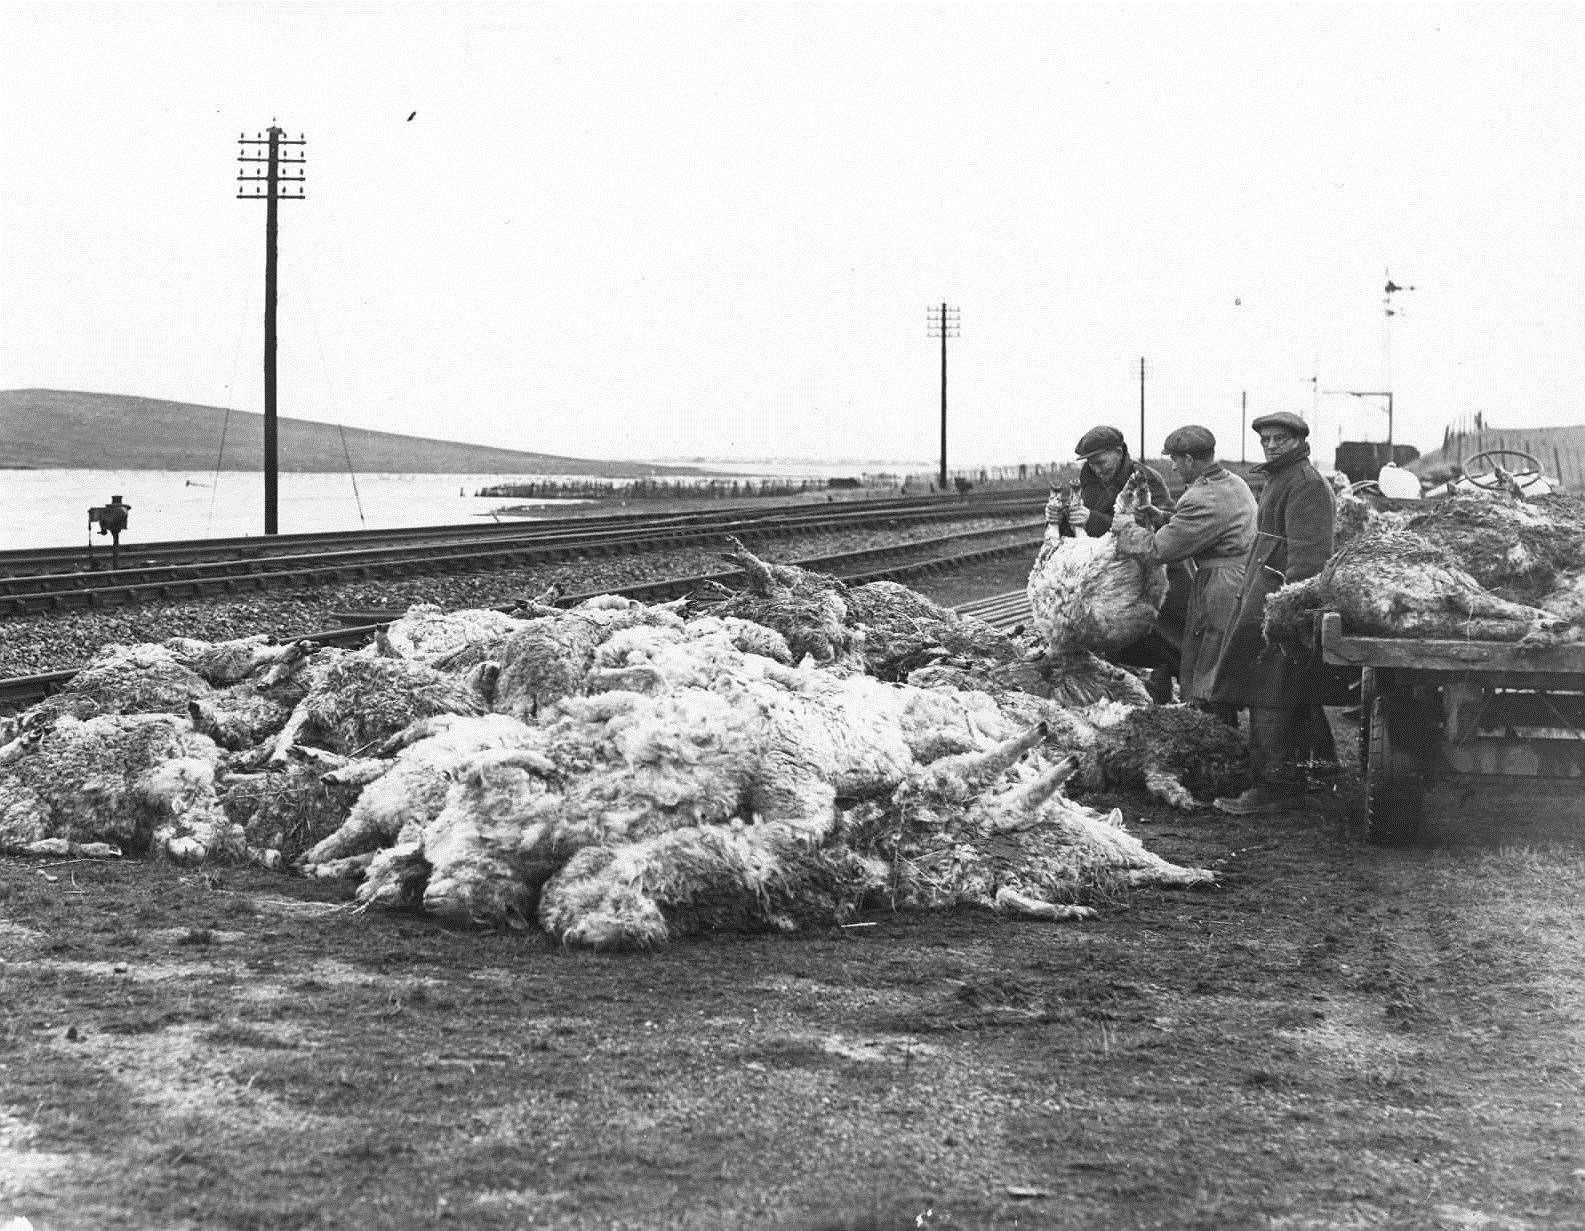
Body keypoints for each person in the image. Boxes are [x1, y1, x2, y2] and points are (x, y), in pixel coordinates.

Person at [1207, 412, 1338, 815]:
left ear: (1300, 441)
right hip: (1265, 598)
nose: (1272, 445)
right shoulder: (1282, 479)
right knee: (1284, 690)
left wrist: (1286, 615)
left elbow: (1308, 560)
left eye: (1281, 438)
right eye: (1266, 439)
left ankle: (1274, 788)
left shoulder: (1306, 486)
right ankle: (1314, 774)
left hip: (1281, 606)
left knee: (1271, 692)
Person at [1113, 425, 1255, 721]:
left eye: (1176, 460)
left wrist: (1124, 527)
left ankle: (1214, 735)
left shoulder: (1201, 496)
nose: (1173, 467)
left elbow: (1158, 550)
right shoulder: (1233, 483)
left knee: (1208, 664)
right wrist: (1164, 517)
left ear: (1190, 459)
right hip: (1238, 577)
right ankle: (1219, 728)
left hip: (1220, 586)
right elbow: (1208, 526)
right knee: (1216, 662)